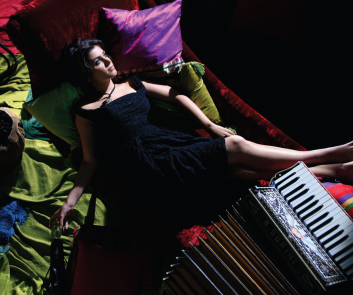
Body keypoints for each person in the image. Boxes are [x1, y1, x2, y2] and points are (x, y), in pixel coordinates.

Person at [49, 38, 353, 231]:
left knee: (239, 174)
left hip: (168, 143)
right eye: (98, 61)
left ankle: (332, 169)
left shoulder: (131, 83)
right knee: (236, 145)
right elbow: (89, 161)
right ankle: (326, 154)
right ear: (86, 74)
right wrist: (70, 203)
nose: (108, 60)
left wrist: (208, 125)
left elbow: (176, 95)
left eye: (105, 54)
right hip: (147, 166)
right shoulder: (86, 111)